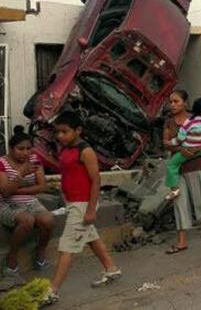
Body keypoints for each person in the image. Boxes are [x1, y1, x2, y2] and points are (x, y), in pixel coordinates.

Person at [42, 112, 121, 306]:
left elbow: (96, 180)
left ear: (78, 131)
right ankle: (111, 269)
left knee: (66, 247)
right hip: (73, 203)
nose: (60, 136)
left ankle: (52, 291)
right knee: (91, 238)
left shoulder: (85, 151)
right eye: (57, 132)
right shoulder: (66, 149)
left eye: (64, 132)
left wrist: (91, 210)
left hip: (82, 204)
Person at [163, 90, 201, 252]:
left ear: (185, 103)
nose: (172, 104)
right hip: (178, 167)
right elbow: (166, 143)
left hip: (197, 164)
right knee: (179, 202)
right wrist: (181, 148)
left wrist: (199, 147)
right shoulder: (169, 122)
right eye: (171, 102)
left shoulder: (197, 118)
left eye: (176, 101)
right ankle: (181, 241)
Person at [0, 126, 54, 276]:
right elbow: (4, 192)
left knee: (48, 220)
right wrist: (21, 173)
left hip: (30, 202)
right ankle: (11, 257)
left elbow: (41, 186)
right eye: (20, 148)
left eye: (28, 149)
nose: (25, 152)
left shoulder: (34, 161)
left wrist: (16, 190)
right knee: (27, 221)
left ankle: (40, 251)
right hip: (6, 204)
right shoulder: (2, 163)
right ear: (11, 148)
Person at [164, 97, 201, 201]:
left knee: (172, 165)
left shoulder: (188, 122)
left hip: (188, 151)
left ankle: (174, 189)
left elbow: (180, 138)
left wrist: (170, 142)